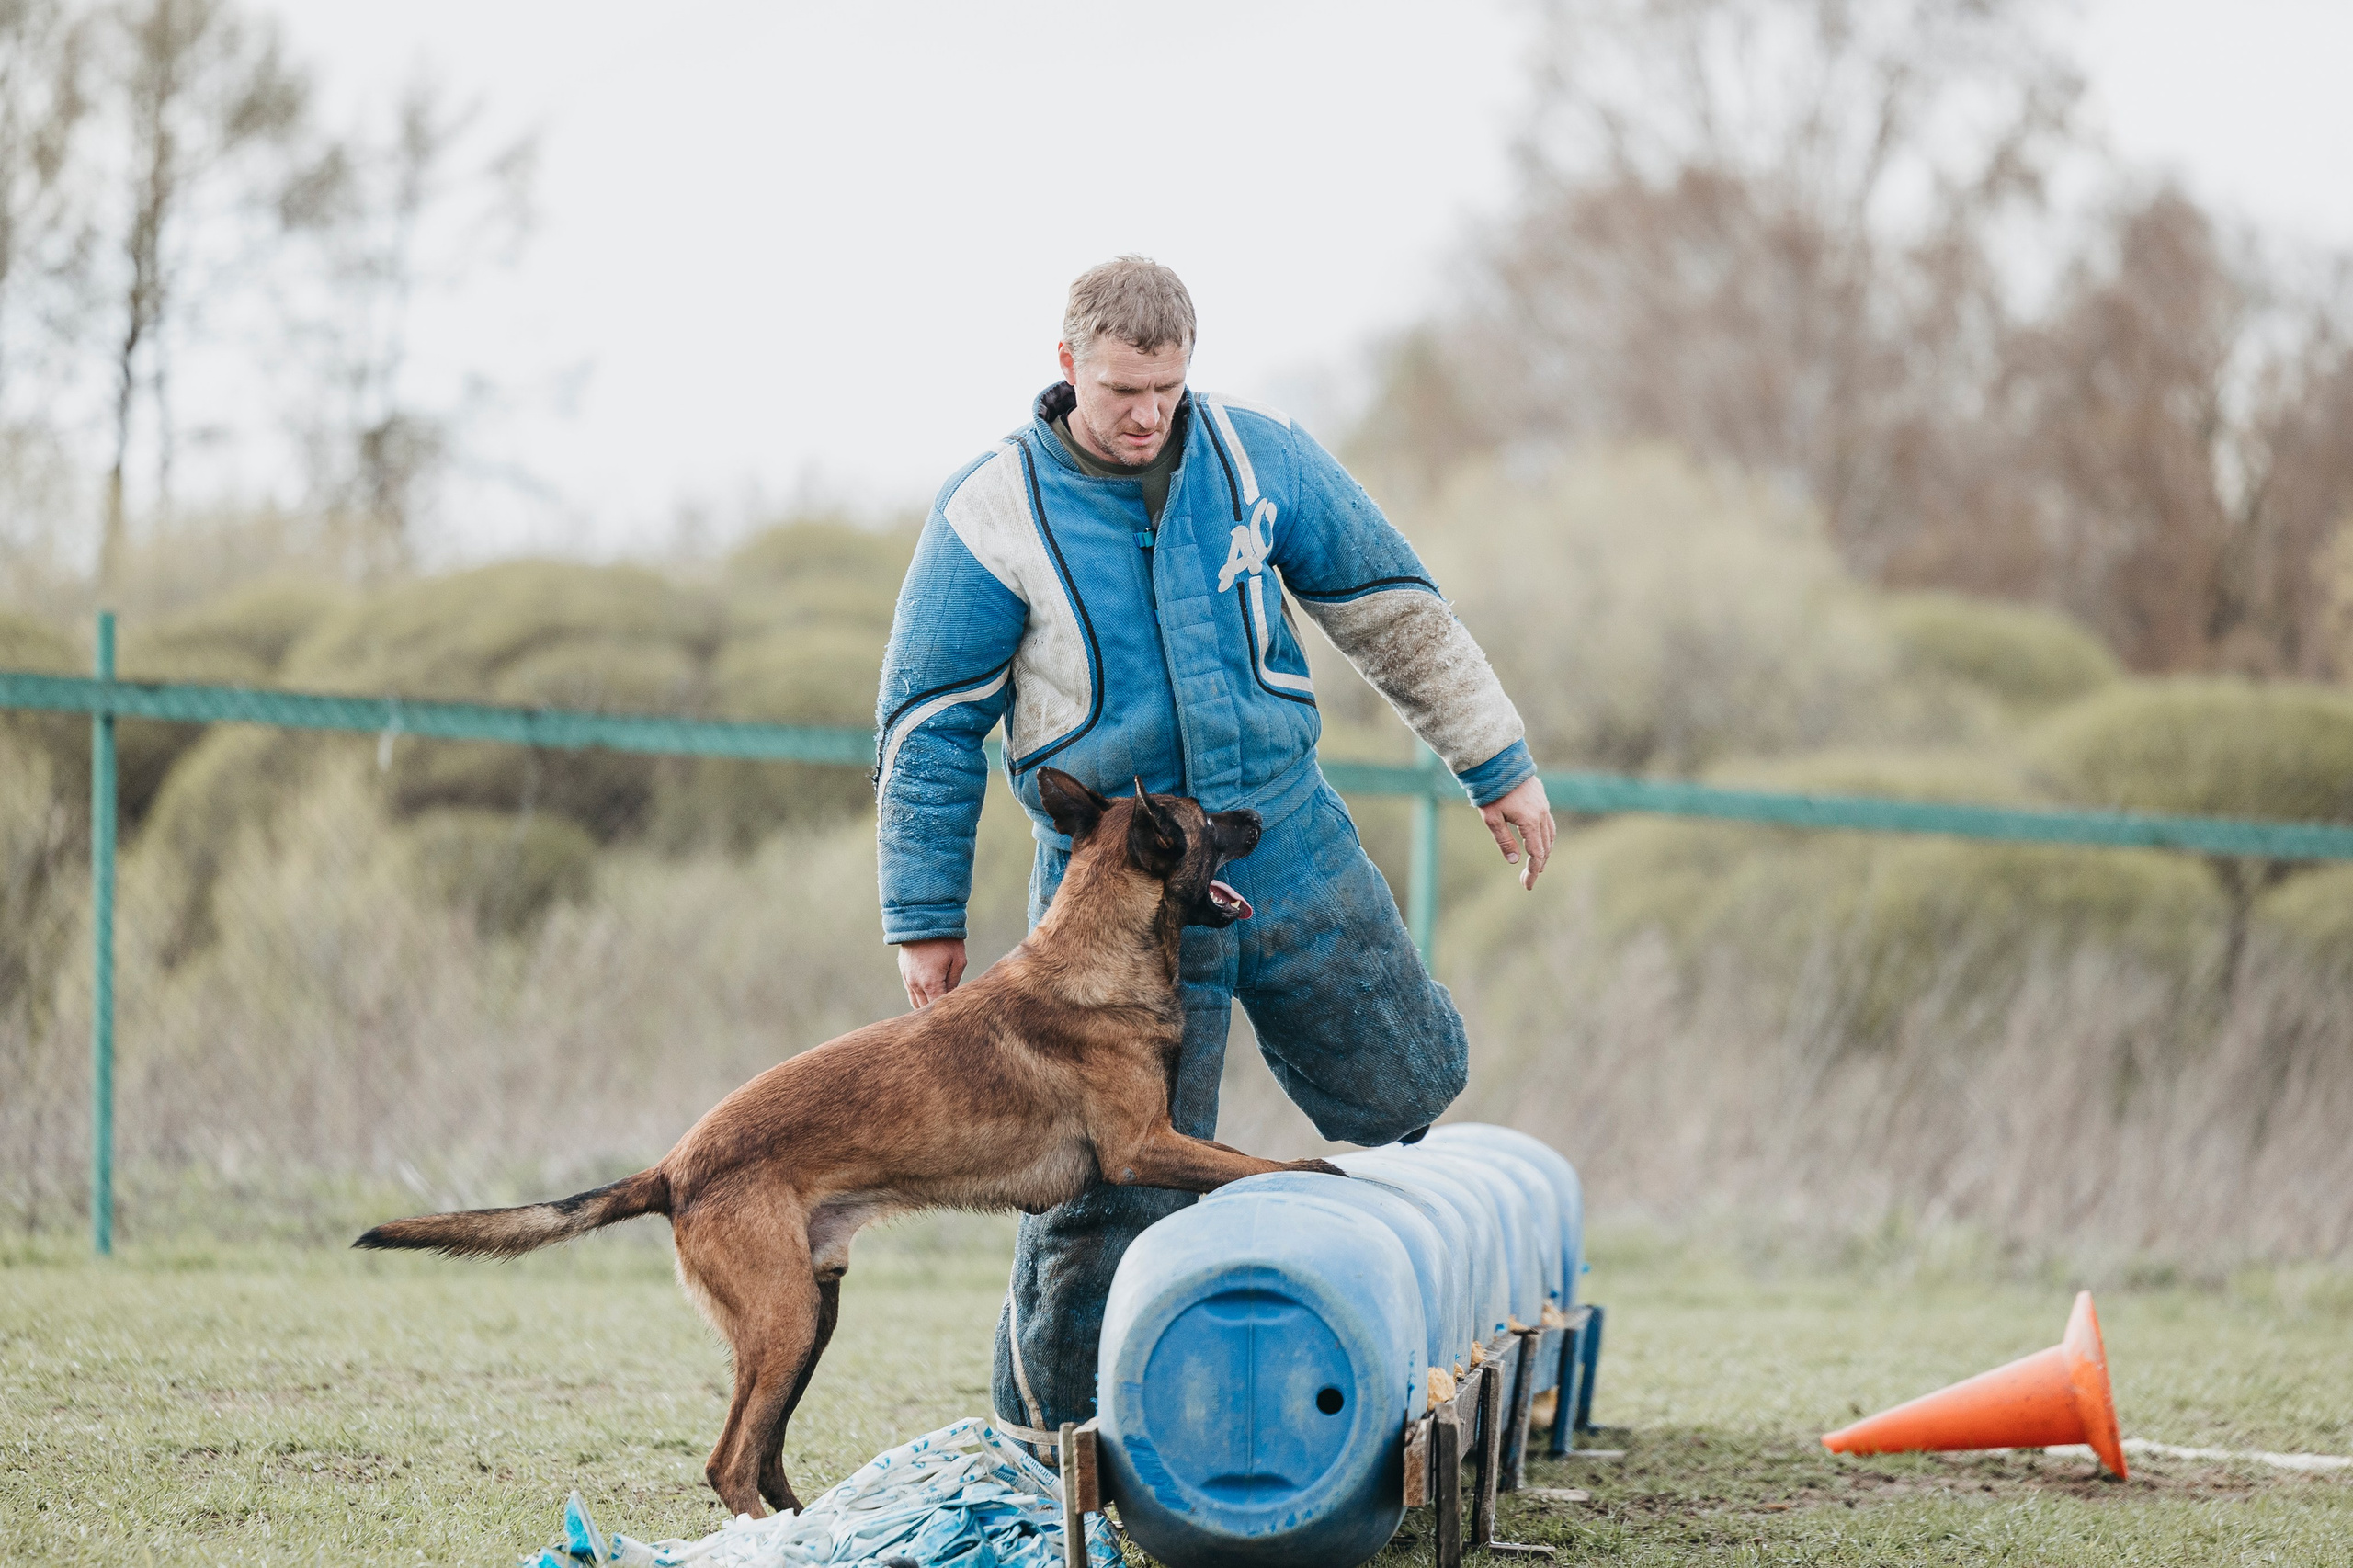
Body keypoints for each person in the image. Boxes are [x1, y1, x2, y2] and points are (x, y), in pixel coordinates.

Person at [872, 256, 1555, 1439]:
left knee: (1411, 1086)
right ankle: (1053, 1451)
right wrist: (925, 921)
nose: (1148, 415)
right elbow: (928, 729)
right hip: (1111, 881)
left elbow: (1393, 607)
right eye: (1125, 389)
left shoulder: (1258, 456)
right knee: (1108, 1185)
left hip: (1276, 830)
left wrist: (1497, 764)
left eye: (1170, 388)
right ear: (1067, 363)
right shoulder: (989, 514)